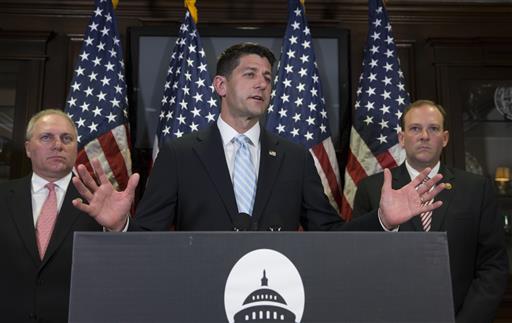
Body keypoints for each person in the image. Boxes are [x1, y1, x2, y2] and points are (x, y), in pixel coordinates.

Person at [72, 43, 445, 233]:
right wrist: (119, 226)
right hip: (198, 295)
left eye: (268, 77)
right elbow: (148, 238)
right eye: (250, 74)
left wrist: (382, 219)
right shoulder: (179, 154)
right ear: (220, 85)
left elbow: (329, 233)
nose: (262, 84)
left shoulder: (295, 158)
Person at [353, 99, 509, 323]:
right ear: (401, 138)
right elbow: (358, 261)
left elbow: (493, 265)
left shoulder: (476, 188)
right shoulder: (372, 189)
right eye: (415, 128)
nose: (424, 136)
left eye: (433, 128)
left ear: (444, 138)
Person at [0, 109, 102, 322]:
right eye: (47, 137)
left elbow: (122, 266)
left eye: (67, 138)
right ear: (28, 148)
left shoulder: (98, 200)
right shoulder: (3, 196)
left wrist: (120, 225)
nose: (58, 145)